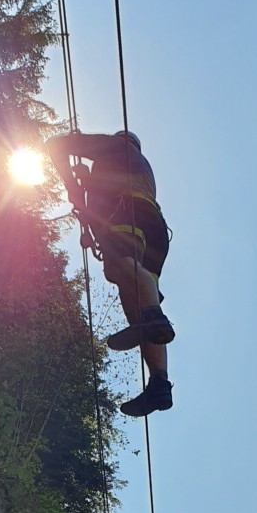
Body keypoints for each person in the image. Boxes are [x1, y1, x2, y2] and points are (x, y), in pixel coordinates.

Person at [47, 129, 174, 417]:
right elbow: (99, 204)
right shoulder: (138, 170)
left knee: (120, 266)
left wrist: (72, 186)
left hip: (129, 212)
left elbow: (56, 145)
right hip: (154, 228)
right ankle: (159, 382)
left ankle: (153, 315)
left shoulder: (116, 147)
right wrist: (87, 190)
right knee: (135, 297)